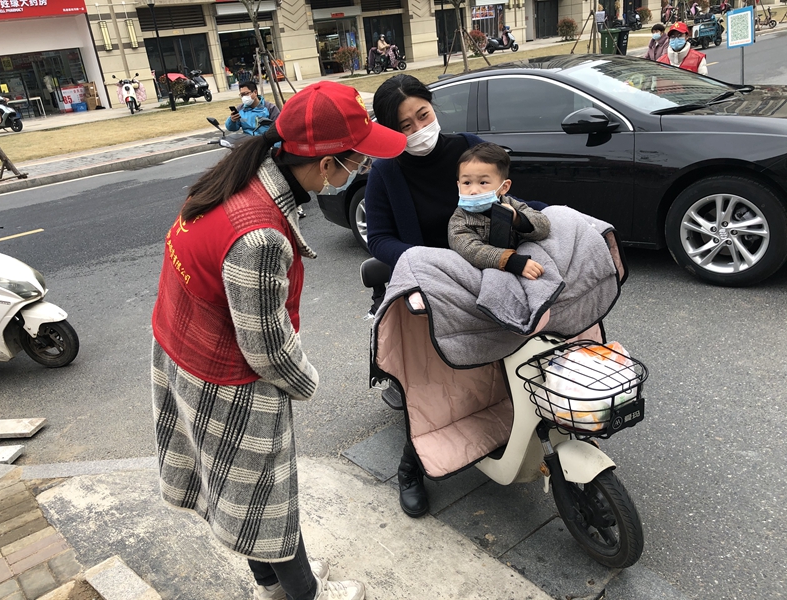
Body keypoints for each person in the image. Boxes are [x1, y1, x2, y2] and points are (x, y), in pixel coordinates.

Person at [151, 81, 406, 600]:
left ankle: (269, 582)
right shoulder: (260, 235)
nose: (362, 168)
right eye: (358, 159)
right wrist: (307, 381)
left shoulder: (233, 177)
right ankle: (305, 593)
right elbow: (266, 348)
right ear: (327, 164)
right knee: (269, 500)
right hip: (227, 381)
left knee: (245, 495)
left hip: (184, 352)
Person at [365, 74, 545, 518]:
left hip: (487, 270)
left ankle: (511, 421)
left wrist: (529, 220)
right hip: (432, 281)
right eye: (404, 125)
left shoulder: (468, 149)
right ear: (390, 131)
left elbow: (509, 200)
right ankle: (412, 466)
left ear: (433, 107)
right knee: (434, 380)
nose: (418, 129)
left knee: (525, 341)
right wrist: (430, 261)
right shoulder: (387, 170)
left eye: (422, 115)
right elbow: (380, 238)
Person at [448, 142, 550, 279]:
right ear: (458, 185)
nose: (473, 191)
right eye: (467, 183)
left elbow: (543, 226)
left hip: (526, 259)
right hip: (483, 273)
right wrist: (511, 261)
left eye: (483, 182)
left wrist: (517, 219)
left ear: (504, 187)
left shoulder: (509, 203)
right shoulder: (460, 219)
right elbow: (471, 250)